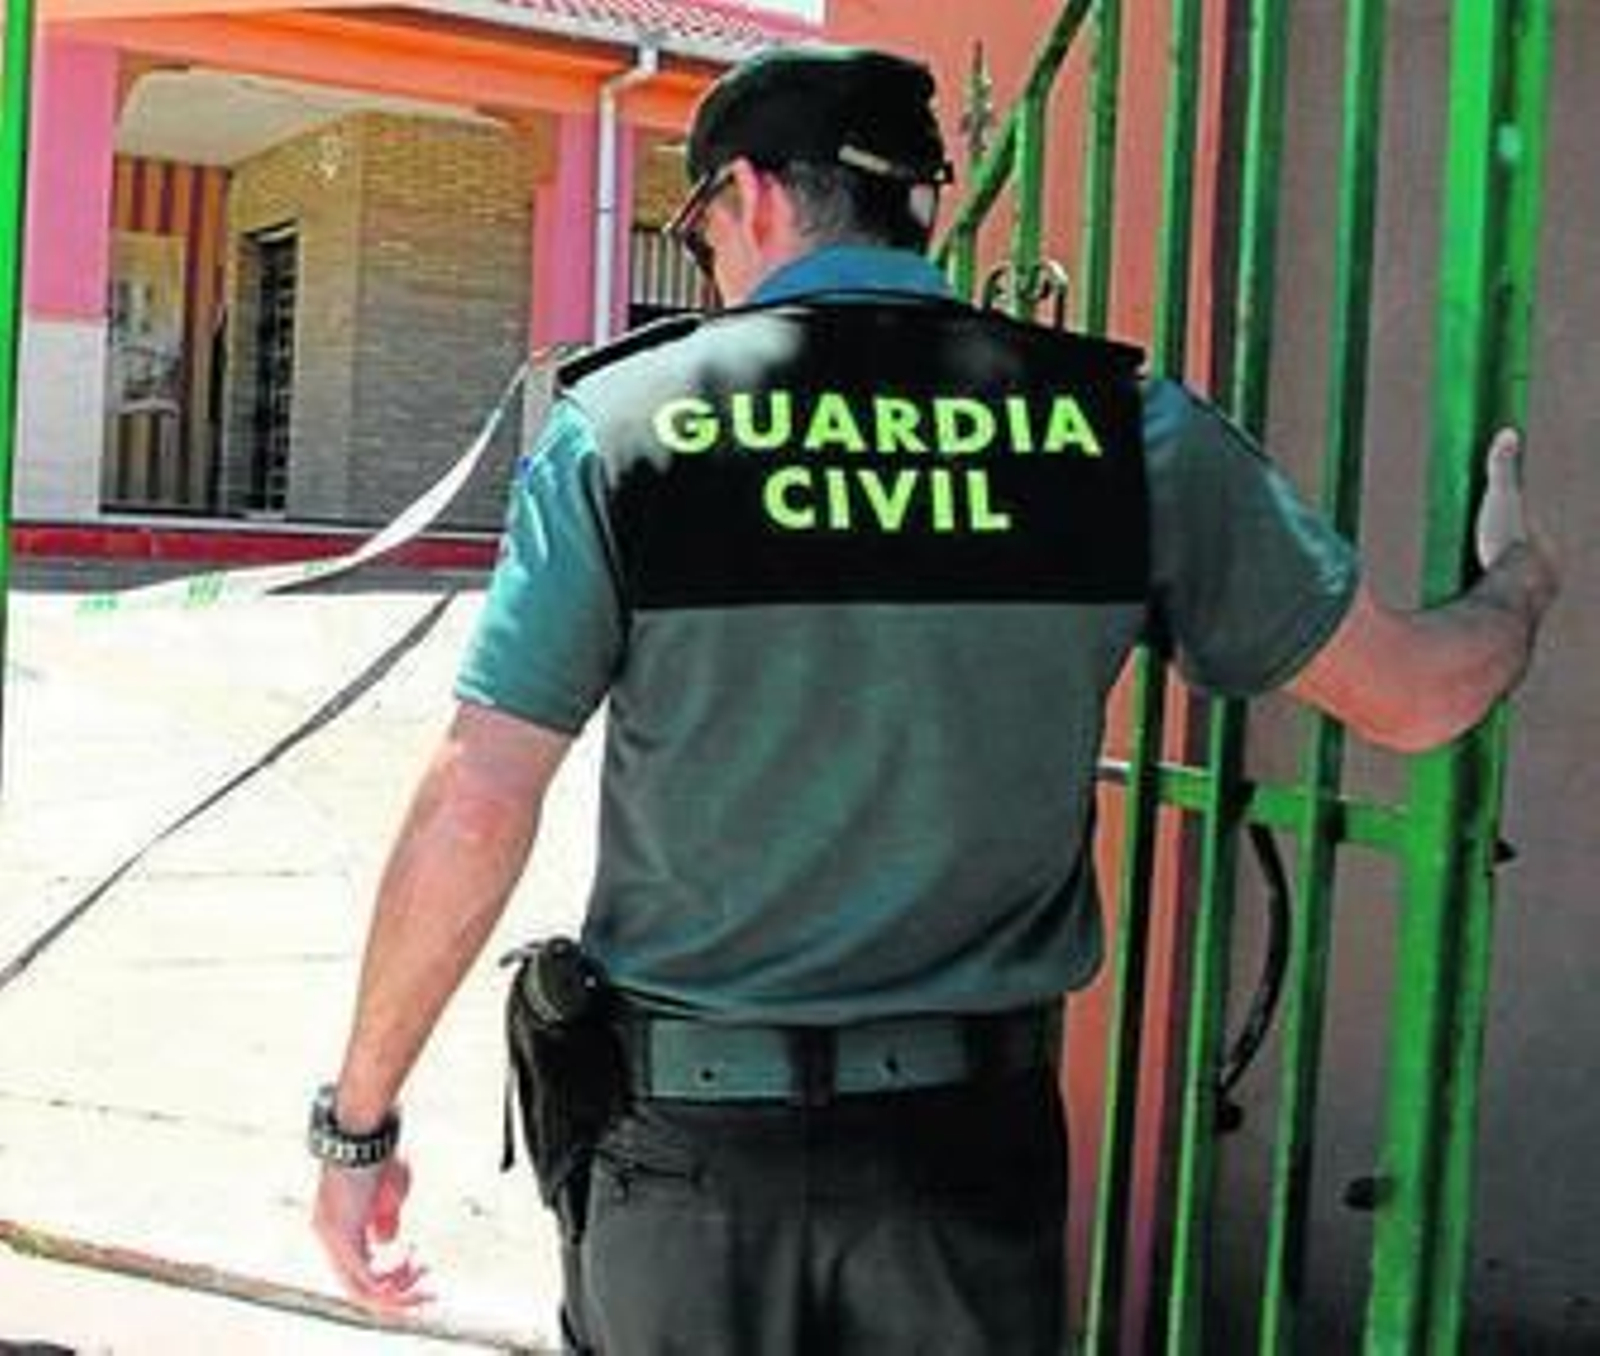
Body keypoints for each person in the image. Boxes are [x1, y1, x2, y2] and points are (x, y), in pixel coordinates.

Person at [309, 44, 1559, 1355]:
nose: (713, 264)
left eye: (701, 229)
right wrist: (1521, 581)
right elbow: (1418, 700)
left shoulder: (624, 430)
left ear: (758, 198)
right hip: (961, 1161)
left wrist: (361, 1122)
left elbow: (481, 792)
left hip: (688, 1164)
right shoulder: (1119, 428)